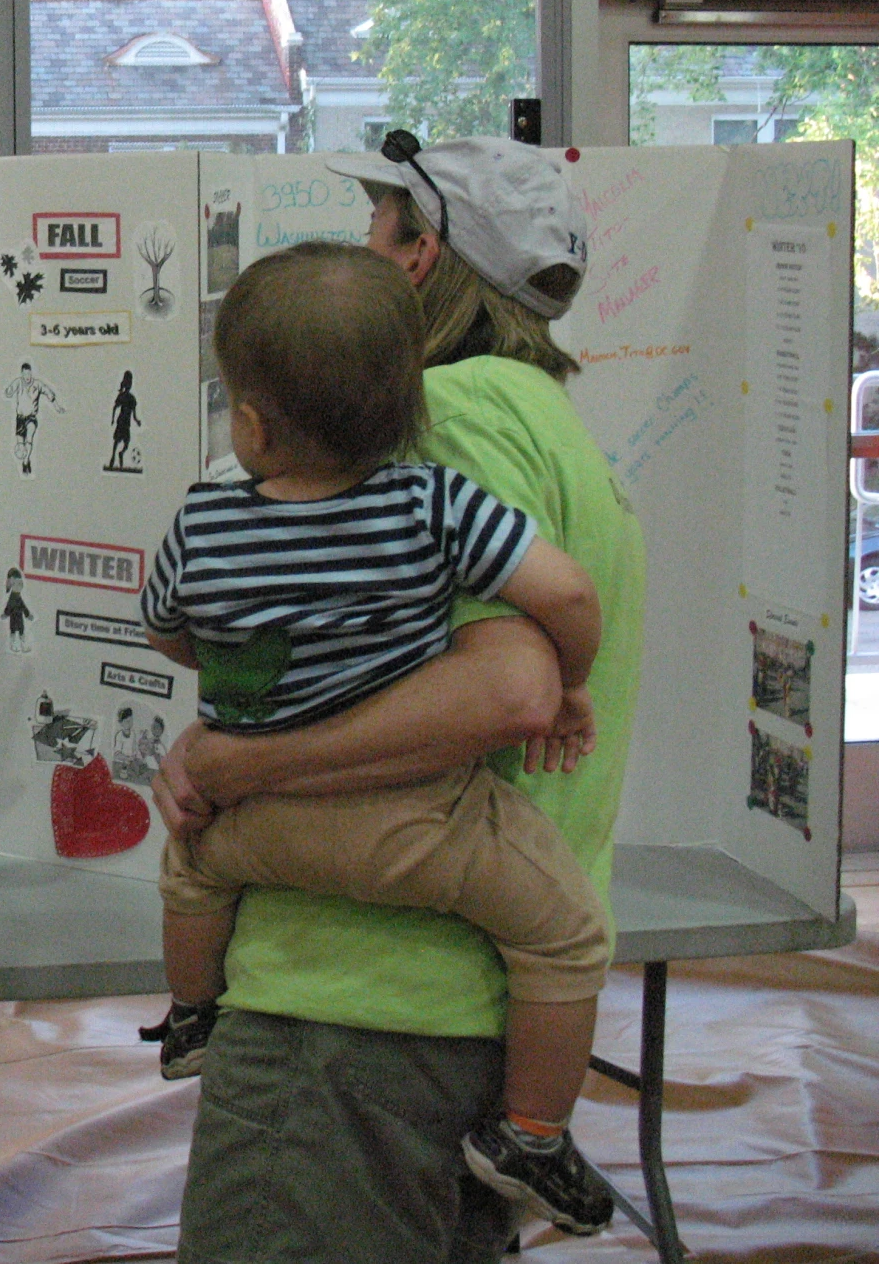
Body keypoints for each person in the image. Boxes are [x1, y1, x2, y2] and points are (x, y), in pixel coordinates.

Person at [154, 136, 646, 1263]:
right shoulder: (549, 423)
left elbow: (507, 687)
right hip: (457, 1003)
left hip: (355, 1006)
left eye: (375, 233)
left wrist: (242, 763)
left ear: (419, 260)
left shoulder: (447, 419)